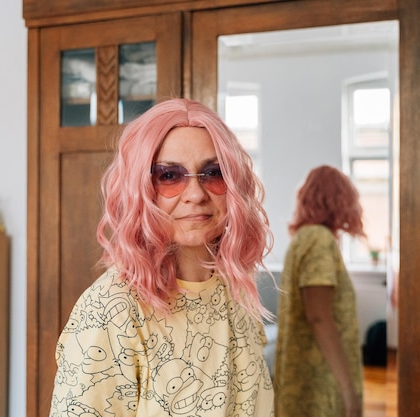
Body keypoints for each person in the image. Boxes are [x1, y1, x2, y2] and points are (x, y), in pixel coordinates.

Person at [49, 98, 275, 417]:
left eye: (213, 173)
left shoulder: (237, 288)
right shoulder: (111, 310)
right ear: (140, 188)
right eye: (169, 176)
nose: (196, 195)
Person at [274, 165, 365, 417]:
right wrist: (349, 391)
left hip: (304, 376)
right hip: (321, 381)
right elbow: (319, 316)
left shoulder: (303, 237)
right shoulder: (319, 239)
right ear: (338, 199)